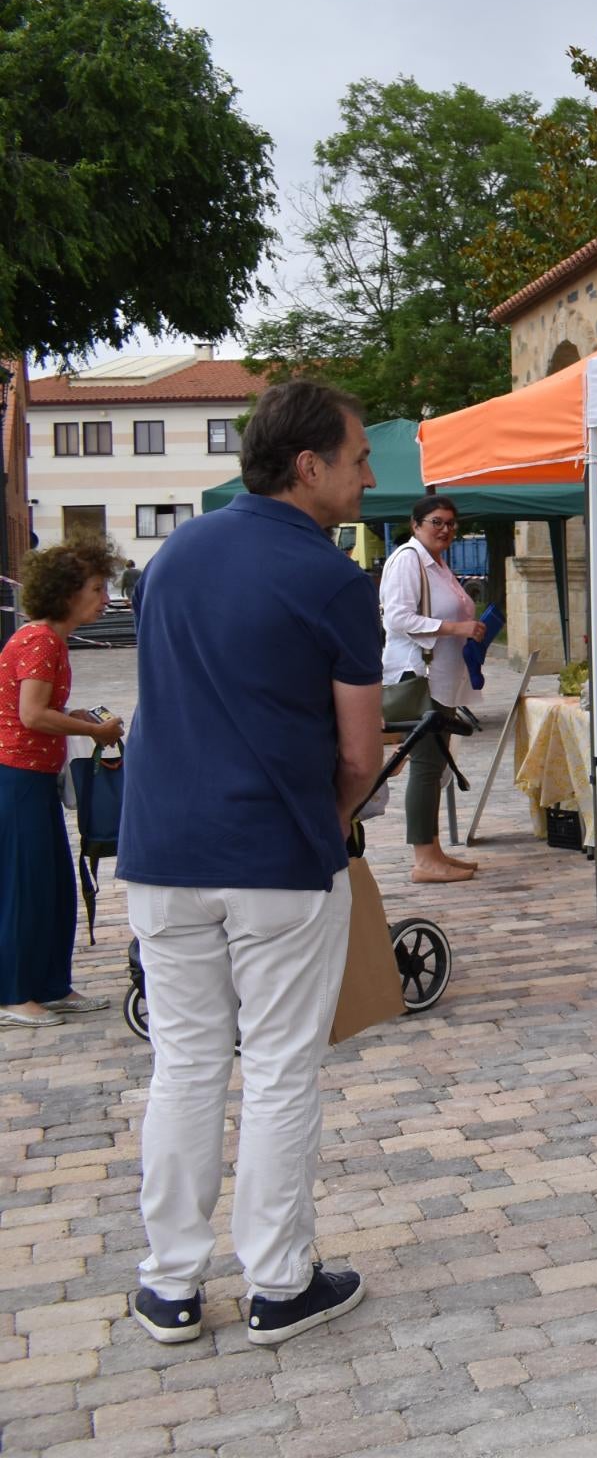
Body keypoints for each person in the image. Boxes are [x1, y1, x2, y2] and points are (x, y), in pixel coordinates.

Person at [119, 378, 383, 1347]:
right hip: (272, 849)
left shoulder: (172, 554)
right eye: (357, 456)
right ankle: (277, 1282)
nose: (369, 473)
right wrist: (332, 820)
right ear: (307, 465)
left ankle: (170, 1282)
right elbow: (358, 751)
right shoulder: (330, 577)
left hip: (160, 848)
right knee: (277, 1067)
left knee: (184, 1062)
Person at [0, 541, 126, 1027]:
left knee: (51, 884)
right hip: (16, 777)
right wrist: (93, 730)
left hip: (32, 777)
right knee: (22, 885)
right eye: (95, 589)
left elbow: (36, 709)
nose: (103, 598)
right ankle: (13, 991)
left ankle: (51, 983)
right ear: (66, 593)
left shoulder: (47, 640)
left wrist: (72, 716)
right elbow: (31, 715)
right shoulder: (42, 641)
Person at [379, 495, 486, 883]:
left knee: (435, 763)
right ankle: (423, 858)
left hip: (441, 677)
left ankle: (434, 849)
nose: (445, 529)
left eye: (451, 524)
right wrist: (456, 628)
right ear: (416, 524)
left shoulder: (437, 564)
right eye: (437, 522)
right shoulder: (408, 560)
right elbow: (399, 617)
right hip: (417, 675)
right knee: (425, 766)